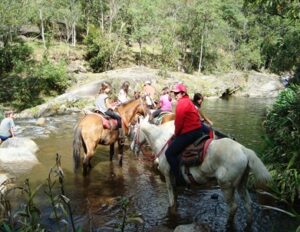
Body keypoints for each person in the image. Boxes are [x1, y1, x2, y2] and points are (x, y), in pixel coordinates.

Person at [165, 84, 207, 186]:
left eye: (177, 93)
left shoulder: (182, 103)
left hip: (190, 133)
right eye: (174, 93)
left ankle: (180, 180)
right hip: (198, 130)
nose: (175, 95)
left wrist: (176, 134)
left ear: (183, 93)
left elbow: (178, 123)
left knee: (169, 153)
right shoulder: (189, 102)